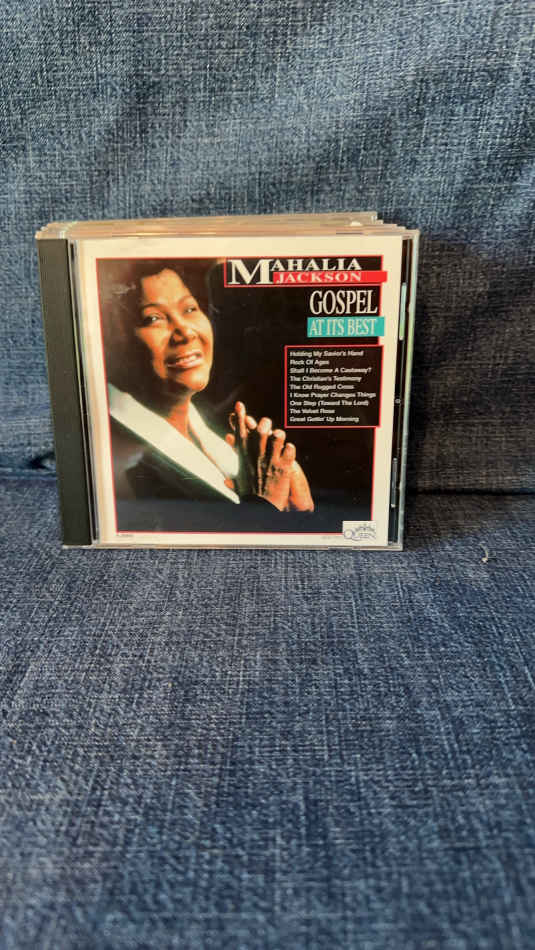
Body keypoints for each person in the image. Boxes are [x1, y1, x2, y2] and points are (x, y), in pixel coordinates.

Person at [103, 262, 313, 529]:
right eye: (153, 318)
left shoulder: (219, 433)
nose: (186, 332)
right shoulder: (118, 462)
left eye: (190, 309)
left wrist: (297, 510)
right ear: (112, 338)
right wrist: (266, 505)